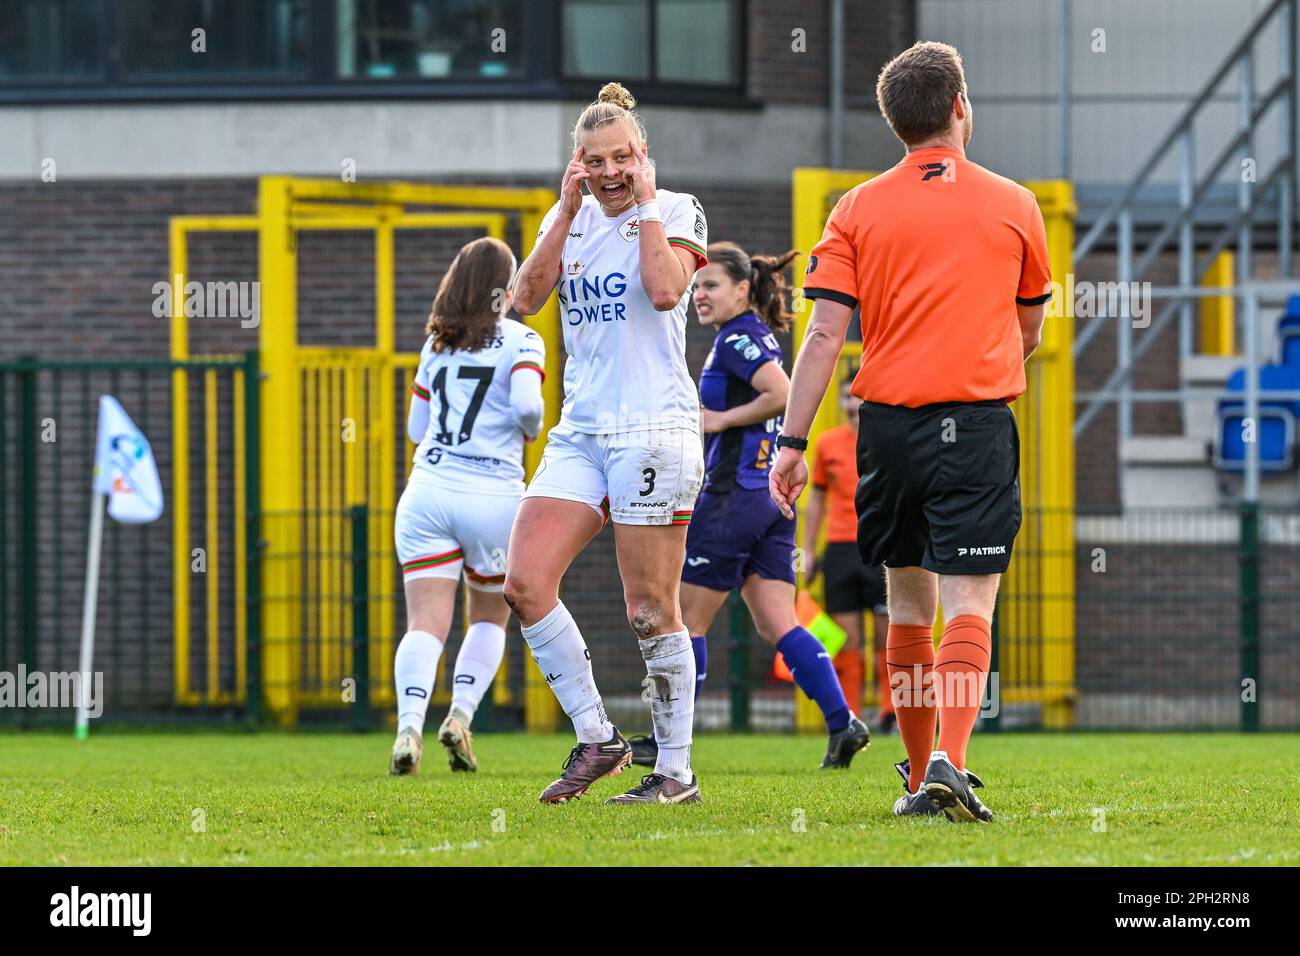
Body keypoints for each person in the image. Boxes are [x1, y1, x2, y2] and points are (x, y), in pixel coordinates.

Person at [769, 41, 1052, 822]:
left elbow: (823, 336)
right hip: (976, 419)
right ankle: (948, 765)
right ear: (961, 106)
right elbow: (1027, 333)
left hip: (886, 428)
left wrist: (790, 446)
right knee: (970, 603)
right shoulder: (1016, 203)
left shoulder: (855, 208)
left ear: (894, 123)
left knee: (905, 606)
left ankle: (920, 773)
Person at [505, 82, 709, 805]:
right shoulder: (569, 219)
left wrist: (647, 207)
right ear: (578, 167)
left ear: (643, 156)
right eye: (597, 161)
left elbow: (663, 290)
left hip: (654, 427)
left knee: (650, 610)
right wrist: (563, 213)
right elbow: (522, 300)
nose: (612, 171)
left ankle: (676, 773)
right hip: (580, 432)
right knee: (523, 583)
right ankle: (599, 737)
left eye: (624, 156)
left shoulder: (677, 210)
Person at [628, 241, 870, 771]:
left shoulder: (737, 340)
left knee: (684, 619)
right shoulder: (748, 336)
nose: (700, 295)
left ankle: (666, 740)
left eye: (711, 285)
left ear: (742, 289)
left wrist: (716, 421)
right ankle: (843, 722)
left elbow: (783, 393)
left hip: (734, 496)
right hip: (767, 498)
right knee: (777, 622)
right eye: (697, 286)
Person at [389, 236, 546, 776]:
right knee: (488, 621)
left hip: (428, 490)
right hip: (494, 494)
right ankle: (459, 716)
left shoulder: (436, 345)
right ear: (505, 288)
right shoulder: (523, 342)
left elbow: (415, 429)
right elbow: (528, 407)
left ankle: (408, 726)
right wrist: (526, 429)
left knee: (424, 624)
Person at [803, 377, 894, 734]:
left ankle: (891, 712)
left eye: (858, 397)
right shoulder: (827, 444)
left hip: (882, 546)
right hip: (840, 548)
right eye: (847, 398)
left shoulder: (887, 440)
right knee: (847, 642)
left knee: (889, 636)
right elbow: (817, 502)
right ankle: (850, 718)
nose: (853, 405)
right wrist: (809, 551)